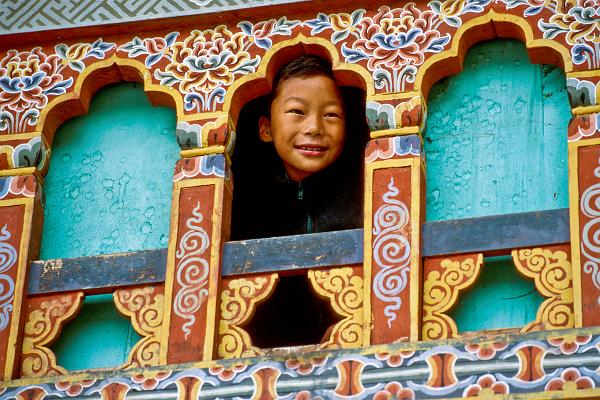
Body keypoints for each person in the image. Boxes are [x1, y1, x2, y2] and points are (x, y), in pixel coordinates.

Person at [230, 55, 366, 240]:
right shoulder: (248, 200)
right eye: (297, 111)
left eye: (331, 115)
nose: (314, 128)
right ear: (266, 129)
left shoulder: (363, 188)